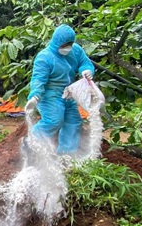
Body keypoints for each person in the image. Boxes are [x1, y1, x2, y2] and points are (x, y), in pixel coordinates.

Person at [25, 24, 95, 155]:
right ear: (57, 42)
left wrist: (86, 70)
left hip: (68, 93)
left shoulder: (76, 51)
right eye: (64, 45)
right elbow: (38, 79)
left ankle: (67, 154)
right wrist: (35, 96)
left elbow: (84, 62)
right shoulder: (45, 57)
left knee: (74, 121)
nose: (67, 48)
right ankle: (32, 143)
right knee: (54, 120)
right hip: (49, 95)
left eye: (70, 44)